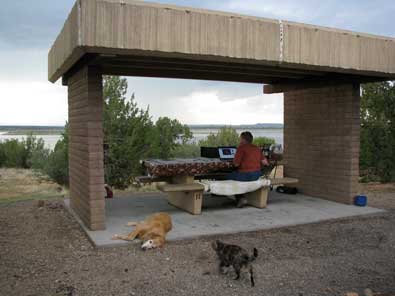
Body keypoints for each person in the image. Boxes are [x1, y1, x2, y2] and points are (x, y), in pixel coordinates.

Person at [227, 131, 269, 208]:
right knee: (237, 176)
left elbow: (236, 164)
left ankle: (240, 198)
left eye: (240, 139)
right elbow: (265, 163)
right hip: (257, 175)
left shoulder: (241, 148)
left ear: (243, 139)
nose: (240, 140)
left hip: (245, 175)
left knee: (228, 176)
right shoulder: (257, 148)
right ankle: (245, 196)